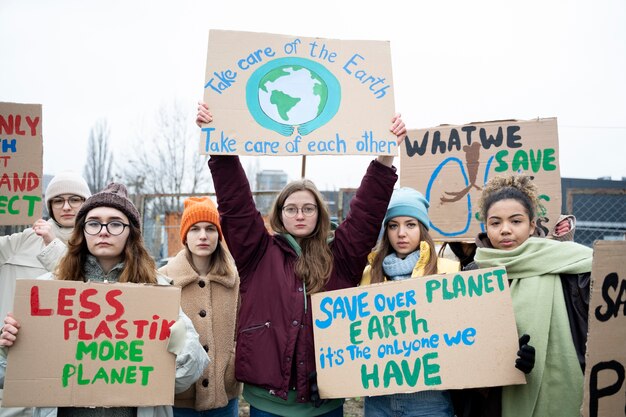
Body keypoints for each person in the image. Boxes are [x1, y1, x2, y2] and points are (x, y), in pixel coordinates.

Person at [196, 102, 406, 417]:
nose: (299, 214)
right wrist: (220, 144)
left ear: (319, 214)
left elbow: (365, 215)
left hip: (325, 401)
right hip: (268, 403)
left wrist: (385, 157)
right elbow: (236, 205)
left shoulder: (342, 255)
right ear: (279, 214)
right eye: (291, 208)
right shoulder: (258, 253)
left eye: (308, 208)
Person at [0, 183, 209, 417]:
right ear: (82, 231)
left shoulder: (159, 292)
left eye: (115, 223)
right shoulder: (47, 290)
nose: (103, 231)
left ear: (131, 233)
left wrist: (180, 342)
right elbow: (7, 376)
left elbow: (186, 376)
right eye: (94, 223)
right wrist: (9, 348)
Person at [456, 174, 592, 417]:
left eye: (515, 221)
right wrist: (501, 361)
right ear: (486, 227)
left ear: (531, 225)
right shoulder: (472, 276)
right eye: (495, 223)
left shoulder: (572, 266)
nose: (505, 230)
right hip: (496, 402)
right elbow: (462, 350)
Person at [360, 187, 460, 416]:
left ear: (423, 228)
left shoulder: (449, 271)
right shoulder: (368, 274)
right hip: (378, 399)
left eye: (410, 224)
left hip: (430, 399)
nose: (401, 233)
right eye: (393, 225)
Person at [0, 171, 90, 417]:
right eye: (58, 200)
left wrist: (53, 246)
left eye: (75, 199)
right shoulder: (26, 239)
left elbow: (84, 290)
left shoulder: (97, 244)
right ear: (49, 205)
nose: (67, 207)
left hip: (70, 364)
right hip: (16, 351)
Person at [158, 197, 241, 417]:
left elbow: (240, 330)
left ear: (219, 235)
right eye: (195, 229)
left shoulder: (234, 280)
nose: (203, 236)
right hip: (179, 398)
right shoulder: (163, 278)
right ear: (185, 235)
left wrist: (233, 363)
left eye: (210, 229)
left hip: (225, 395)